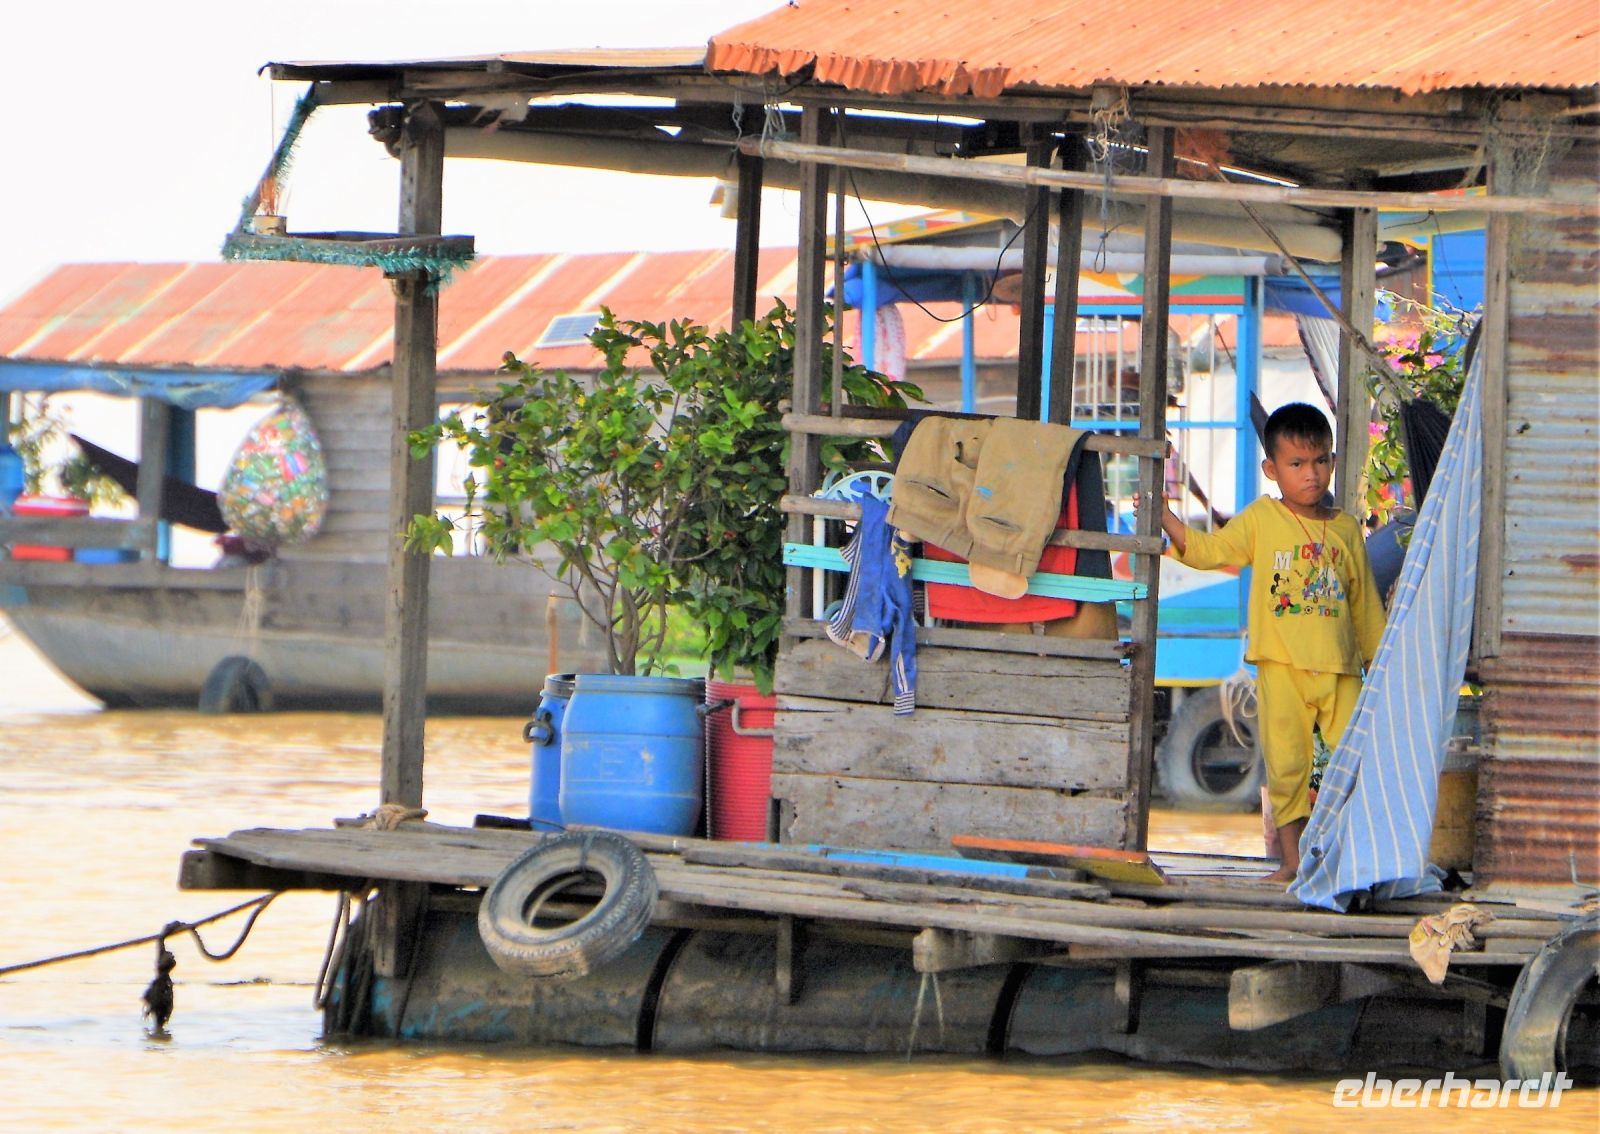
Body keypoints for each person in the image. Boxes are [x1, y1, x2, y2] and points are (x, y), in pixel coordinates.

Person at [1160, 403, 1386, 884]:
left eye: (1321, 460)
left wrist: (1379, 664)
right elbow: (1211, 550)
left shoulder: (1345, 528)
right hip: (1280, 666)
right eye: (1297, 464)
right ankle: (1291, 864)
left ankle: (1354, 862)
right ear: (1272, 469)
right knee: (1287, 769)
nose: (1312, 474)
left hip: (1342, 668)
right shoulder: (1261, 520)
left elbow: (1365, 604)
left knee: (1357, 764)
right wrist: (1166, 517)